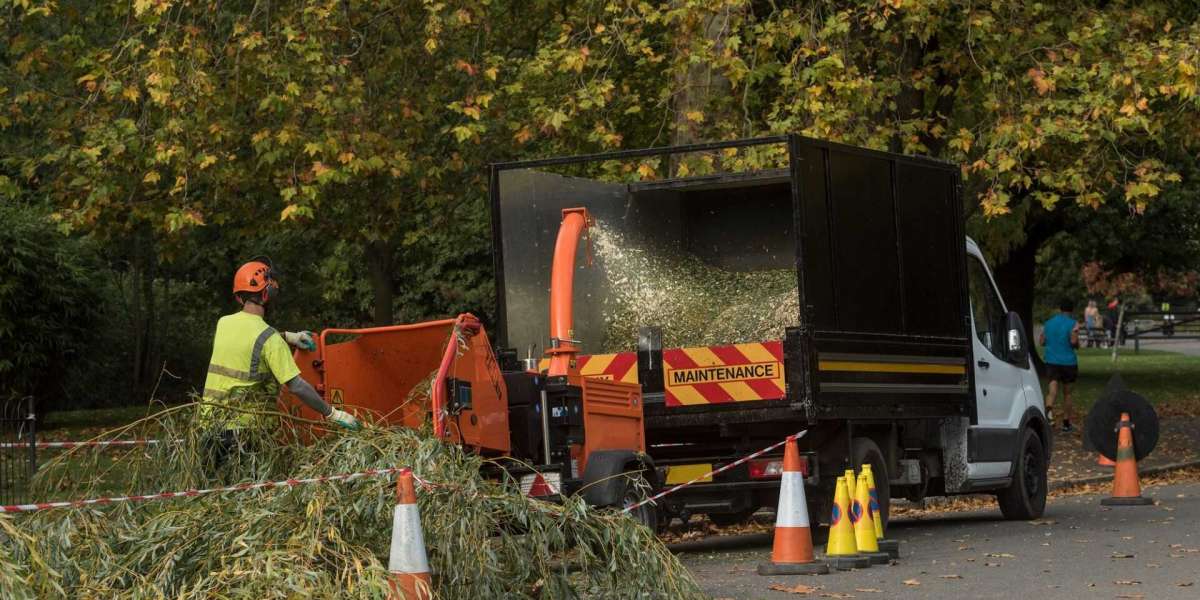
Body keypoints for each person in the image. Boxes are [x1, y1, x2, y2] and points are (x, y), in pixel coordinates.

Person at [201, 259, 361, 469]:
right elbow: (297, 386)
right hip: (242, 433)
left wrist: (288, 336)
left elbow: (247, 340)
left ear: (239, 298)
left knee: (213, 494)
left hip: (209, 425)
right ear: (267, 295)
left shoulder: (224, 323)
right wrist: (332, 413)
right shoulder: (269, 340)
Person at [1039, 299, 1080, 433]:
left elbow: (1042, 341)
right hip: (1068, 362)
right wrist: (1077, 344)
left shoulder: (1048, 323)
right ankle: (1066, 423)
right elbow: (1073, 341)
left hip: (1051, 361)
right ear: (1071, 310)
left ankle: (1049, 411)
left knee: (1052, 391)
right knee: (1067, 393)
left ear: (1060, 309)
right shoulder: (1073, 323)